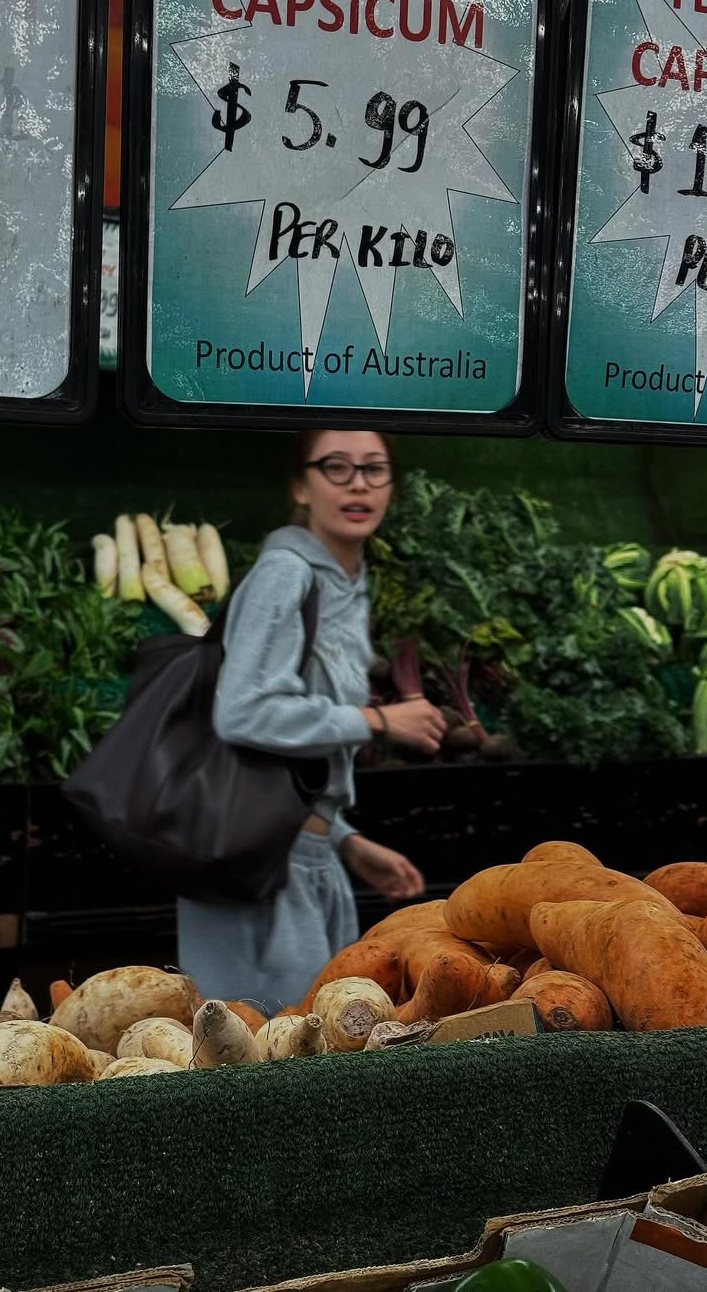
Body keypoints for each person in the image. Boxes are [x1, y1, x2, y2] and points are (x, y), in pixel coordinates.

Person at [176, 428, 446, 1012]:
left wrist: (344, 840)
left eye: (374, 469)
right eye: (337, 467)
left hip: (304, 857)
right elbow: (242, 711)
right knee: (268, 1048)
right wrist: (378, 720)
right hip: (257, 869)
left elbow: (285, 756)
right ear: (301, 486)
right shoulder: (286, 574)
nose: (358, 484)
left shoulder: (343, 583)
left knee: (319, 1039)